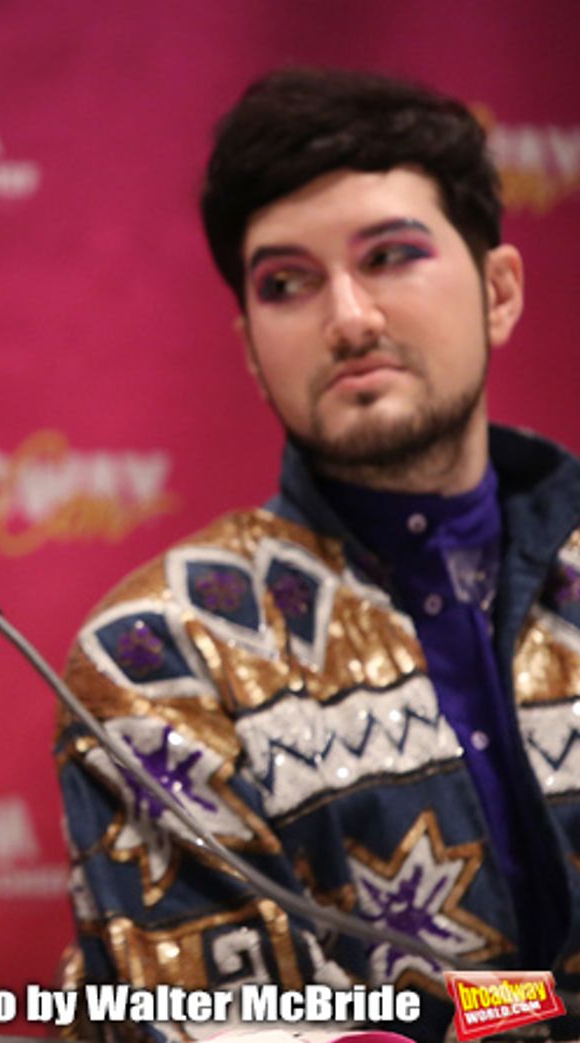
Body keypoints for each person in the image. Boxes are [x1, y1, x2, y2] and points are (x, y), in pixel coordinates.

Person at [56, 68, 580, 1040]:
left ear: (498, 290)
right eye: (286, 283)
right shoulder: (160, 652)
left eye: (389, 255)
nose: (347, 318)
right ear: (252, 349)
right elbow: (207, 1022)